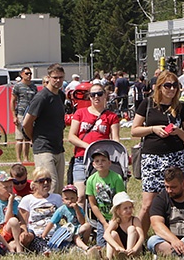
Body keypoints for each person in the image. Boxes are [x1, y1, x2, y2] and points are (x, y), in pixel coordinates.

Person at [130, 70, 184, 229]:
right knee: (148, 204)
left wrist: (178, 131)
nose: (172, 89)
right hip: (152, 158)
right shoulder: (148, 104)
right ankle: (139, 240)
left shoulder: (181, 107)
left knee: (174, 200)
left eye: (175, 86)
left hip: (175, 157)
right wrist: (153, 129)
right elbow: (134, 130)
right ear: (159, 87)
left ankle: (171, 235)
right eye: (168, 85)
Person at [68, 81, 120, 198]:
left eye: (100, 94)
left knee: (101, 194)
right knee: (80, 195)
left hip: (101, 159)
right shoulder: (80, 113)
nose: (96, 97)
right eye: (93, 95)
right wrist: (88, 146)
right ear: (89, 97)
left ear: (105, 95)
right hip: (81, 158)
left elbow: (115, 140)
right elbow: (71, 136)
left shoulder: (112, 116)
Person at [23, 63, 67, 194]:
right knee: (49, 187)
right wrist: (33, 138)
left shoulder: (61, 95)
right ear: (48, 77)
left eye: (61, 77)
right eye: (55, 77)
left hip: (58, 147)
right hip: (43, 148)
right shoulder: (42, 97)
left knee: (58, 189)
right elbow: (26, 123)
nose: (58, 80)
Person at [85, 148, 126, 248]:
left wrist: (115, 219)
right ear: (93, 164)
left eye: (103, 160)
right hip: (102, 217)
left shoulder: (117, 178)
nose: (100, 163)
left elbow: (122, 201)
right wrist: (103, 222)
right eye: (97, 161)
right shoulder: (91, 180)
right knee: (102, 245)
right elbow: (93, 204)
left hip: (117, 217)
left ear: (109, 163)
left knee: (116, 239)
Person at [17, 168, 64, 253]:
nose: (46, 183)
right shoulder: (27, 199)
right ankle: (46, 250)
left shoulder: (57, 198)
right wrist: (24, 234)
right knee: (32, 237)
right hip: (35, 234)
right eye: (41, 181)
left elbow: (66, 215)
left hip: (55, 233)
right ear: (34, 184)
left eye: (48, 180)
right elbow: (23, 223)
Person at [40, 184, 89, 252]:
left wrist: (77, 210)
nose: (70, 201)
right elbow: (51, 222)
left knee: (88, 226)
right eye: (67, 199)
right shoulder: (61, 210)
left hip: (76, 230)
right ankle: (86, 248)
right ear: (63, 200)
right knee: (75, 237)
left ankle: (84, 243)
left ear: (77, 199)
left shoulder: (79, 209)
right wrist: (44, 235)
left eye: (72, 198)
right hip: (65, 233)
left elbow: (82, 222)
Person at [105, 192, 144, 259]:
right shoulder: (115, 221)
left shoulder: (135, 220)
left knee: (131, 228)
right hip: (121, 249)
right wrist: (117, 247)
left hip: (134, 249)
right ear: (118, 211)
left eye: (130, 207)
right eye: (125, 208)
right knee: (112, 234)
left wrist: (134, 249)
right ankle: (108, 257)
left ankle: (129, 255)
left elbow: (141, 236)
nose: (129, 210)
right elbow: (106, 235)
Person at [11, 67, 37, 163]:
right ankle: (18, 159)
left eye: (30, 73)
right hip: (21, 114)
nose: (29, 75)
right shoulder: (18, 86)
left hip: (30, 114)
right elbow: (12, 101)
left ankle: (26, 158)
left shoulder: (33, 87)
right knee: (19, 138)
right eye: (27, 73)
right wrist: (14, 115)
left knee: (27, 137)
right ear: (21, 74)